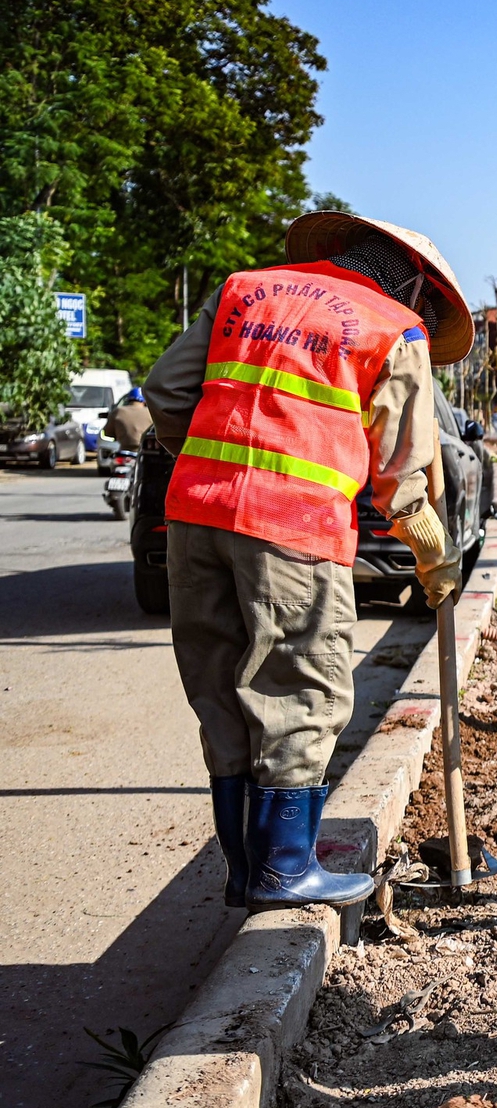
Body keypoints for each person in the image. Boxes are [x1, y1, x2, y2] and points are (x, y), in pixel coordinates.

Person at [145, 213, 473, 913]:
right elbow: (400, 474)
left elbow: (166, 392)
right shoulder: (395, 328)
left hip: (195, 519)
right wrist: (434, 554)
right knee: (302, 692)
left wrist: (215, 472)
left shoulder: (242, 290)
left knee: (223, 691)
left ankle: (248, 871)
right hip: (294, 533)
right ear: (417, 285)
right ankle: (285, 869)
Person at [101, 387, 152, 453]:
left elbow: (107, 432)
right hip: (145, 451)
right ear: (144, 401)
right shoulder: (150, 413)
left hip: (124, 450)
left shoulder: (118, 411)